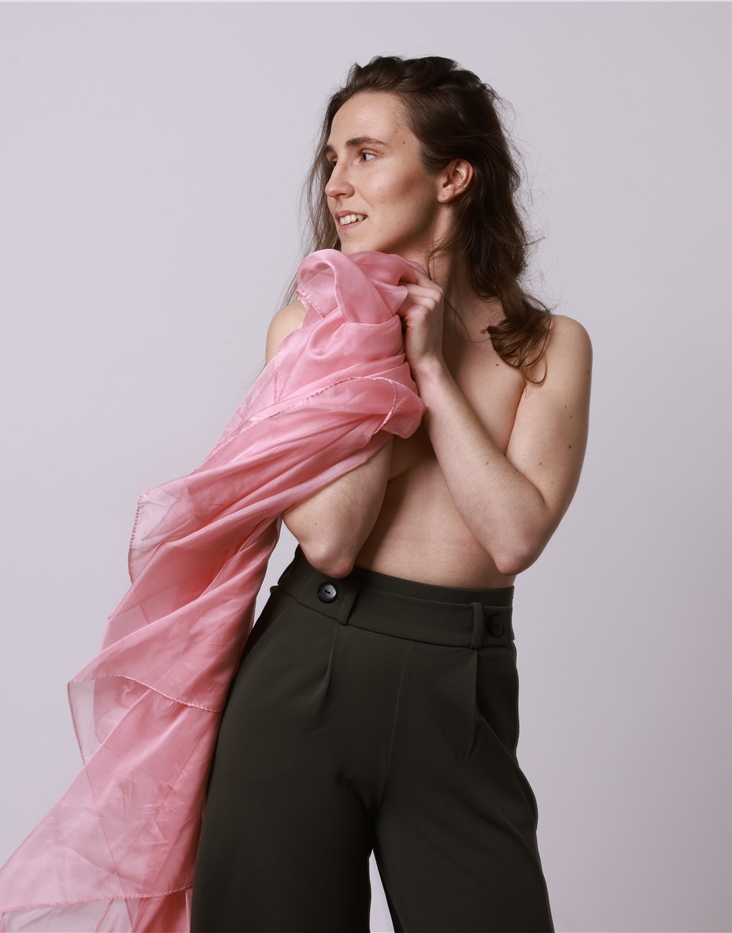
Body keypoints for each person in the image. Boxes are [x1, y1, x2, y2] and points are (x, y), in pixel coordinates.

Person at [189, 56, 592, 933]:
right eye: (332, 159)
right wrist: (368, 337)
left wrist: (434, 373)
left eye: (367, 154)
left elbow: (513, 536)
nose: (337, 183)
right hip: (306, 668)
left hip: (461, 681)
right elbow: (331, 537)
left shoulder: (548, 344)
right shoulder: (305, 330)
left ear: (453, 176)